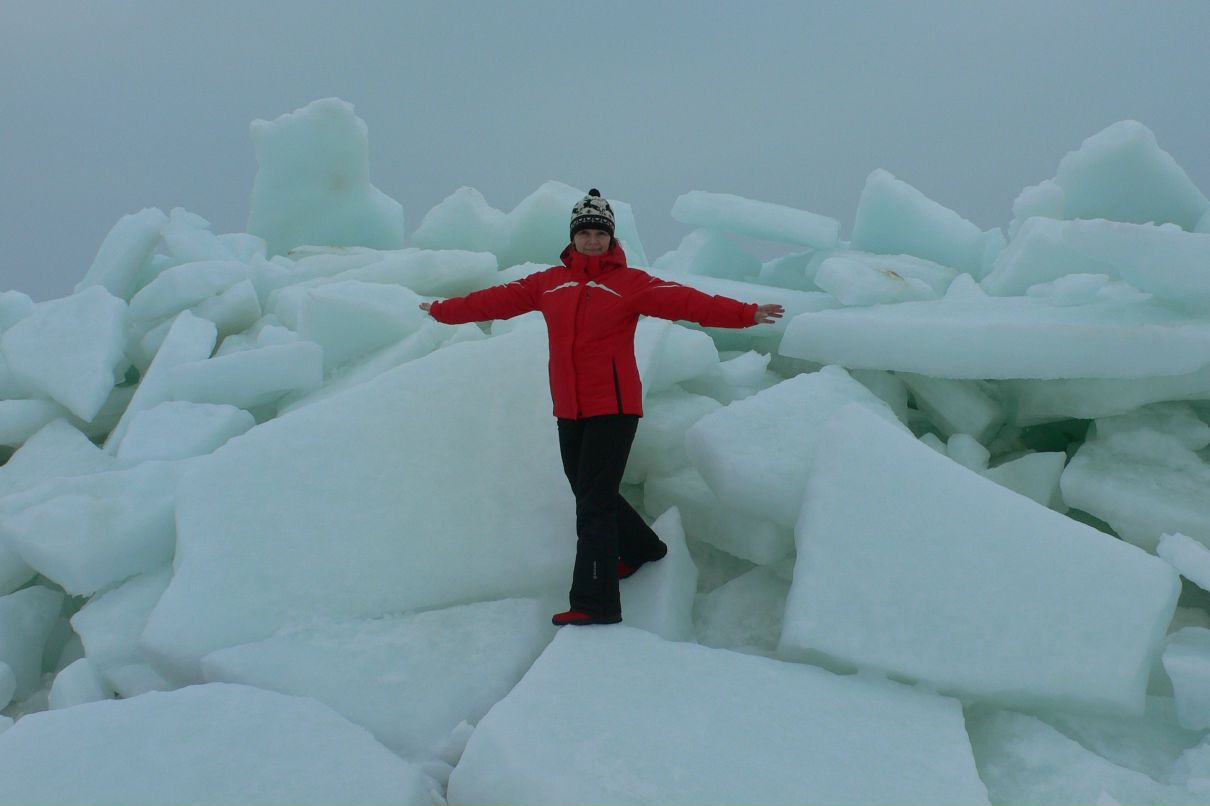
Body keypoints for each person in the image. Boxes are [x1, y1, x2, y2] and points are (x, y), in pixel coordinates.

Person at [420, 189, 784, 626]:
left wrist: (745, 313)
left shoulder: (631, 285)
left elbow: (689, 302)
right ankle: (642, 550)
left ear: (611, 238)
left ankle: (597, 600)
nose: (592, 240)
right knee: (588, 489)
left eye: (599, 233)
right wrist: (442, 310)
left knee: (592, 505)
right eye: (585, 233)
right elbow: (494, 299)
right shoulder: (549, 283)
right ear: (573, 238)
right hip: (570, 408)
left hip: (613, 406)